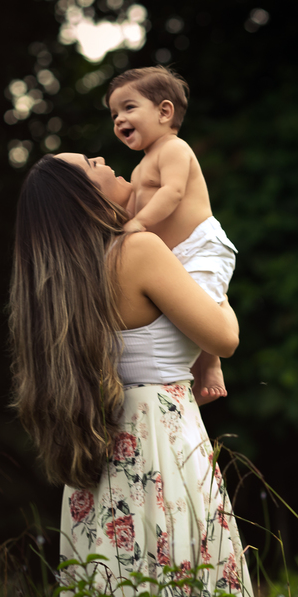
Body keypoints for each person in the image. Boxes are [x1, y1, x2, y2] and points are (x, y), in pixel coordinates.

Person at [7, 152, 265, 597]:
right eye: (90, 162)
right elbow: (225, 337)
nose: (104, 157)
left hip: (97, 465)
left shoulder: (63, 280)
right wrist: (214, 282)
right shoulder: (139, 252)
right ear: (85, 195)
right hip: (159, 447)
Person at [106, 66, 236, 406]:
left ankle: (211, 365)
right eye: (114, 113)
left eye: (128, 107)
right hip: (171, 254)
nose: (119, 119)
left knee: (205, 309)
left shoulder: (174, 149)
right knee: (182, 311)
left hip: (201, 245)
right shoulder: (139, 166)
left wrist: (139, 224)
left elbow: (173, 193)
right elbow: (131, 211)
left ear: (165, 111)